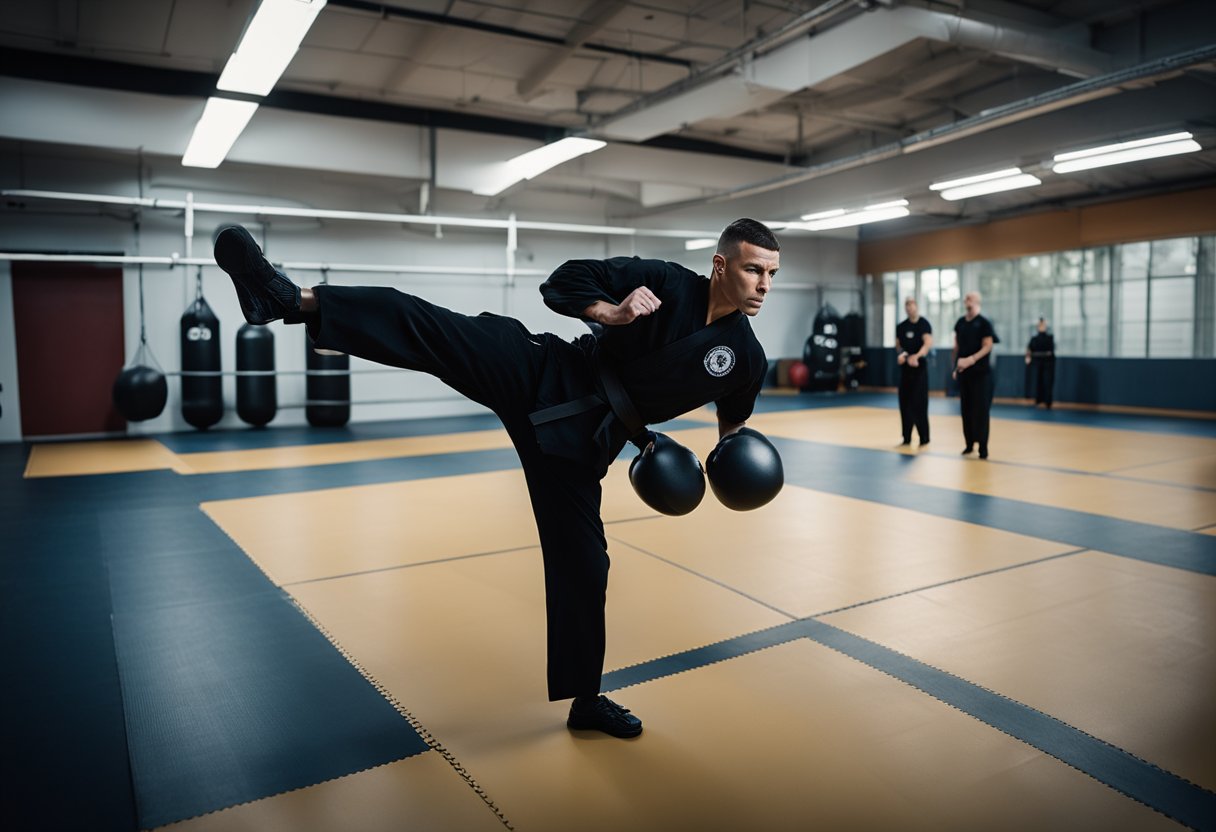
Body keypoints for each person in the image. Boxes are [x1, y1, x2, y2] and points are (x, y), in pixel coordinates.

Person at [212, 218, 780, 739]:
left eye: (772, 275)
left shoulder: (745, 358)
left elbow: (733, 433)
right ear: (721, 265)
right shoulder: (663, 282)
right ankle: (289, 299)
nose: (763, 286)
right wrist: (609, 310)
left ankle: (586, 701)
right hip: (542, 369)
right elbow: (562, 281)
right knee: (429, 325)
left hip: (584, 446)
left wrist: (724, 465)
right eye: (754, 269)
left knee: (585, 566)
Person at [952, 291, 997, 459]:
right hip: (965, 374)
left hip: (981, 374)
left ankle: (983, 447)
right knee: (966, 409)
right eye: (966, 298)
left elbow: (988, 346)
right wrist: (955, 368)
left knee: (981, 410)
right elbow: (956, 347)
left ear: (977, 301)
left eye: (970, 298)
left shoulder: (984, 323)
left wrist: (971, 359)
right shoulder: (960, 323)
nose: (967, 300)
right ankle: (969, 444)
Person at [894, 296, 932, 447]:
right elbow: (898, 345)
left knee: (919, 403)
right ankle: (906, 436)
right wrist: (902, 354)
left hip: (919, 369)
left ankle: (924, 436)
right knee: (905, 402)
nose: (909, 307)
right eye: (906, 304)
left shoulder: (923, 324)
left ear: (916, 306)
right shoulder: (901, 326)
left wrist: (917, 356)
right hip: (905, 370)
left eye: (911, 304)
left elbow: (927, 343)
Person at [1025, 317, 1055, 409]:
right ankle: (1038, 400)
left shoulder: (1050, 338)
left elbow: (1051, 350)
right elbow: (1029, 349)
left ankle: (1047, 402)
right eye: (1040, 325)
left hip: (1048, 363)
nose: (1042, 327)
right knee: (1038, 382)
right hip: (1037, 362)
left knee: (1047, 382)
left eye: (1043, 325)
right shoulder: (1034, 339)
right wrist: (1028, 357)